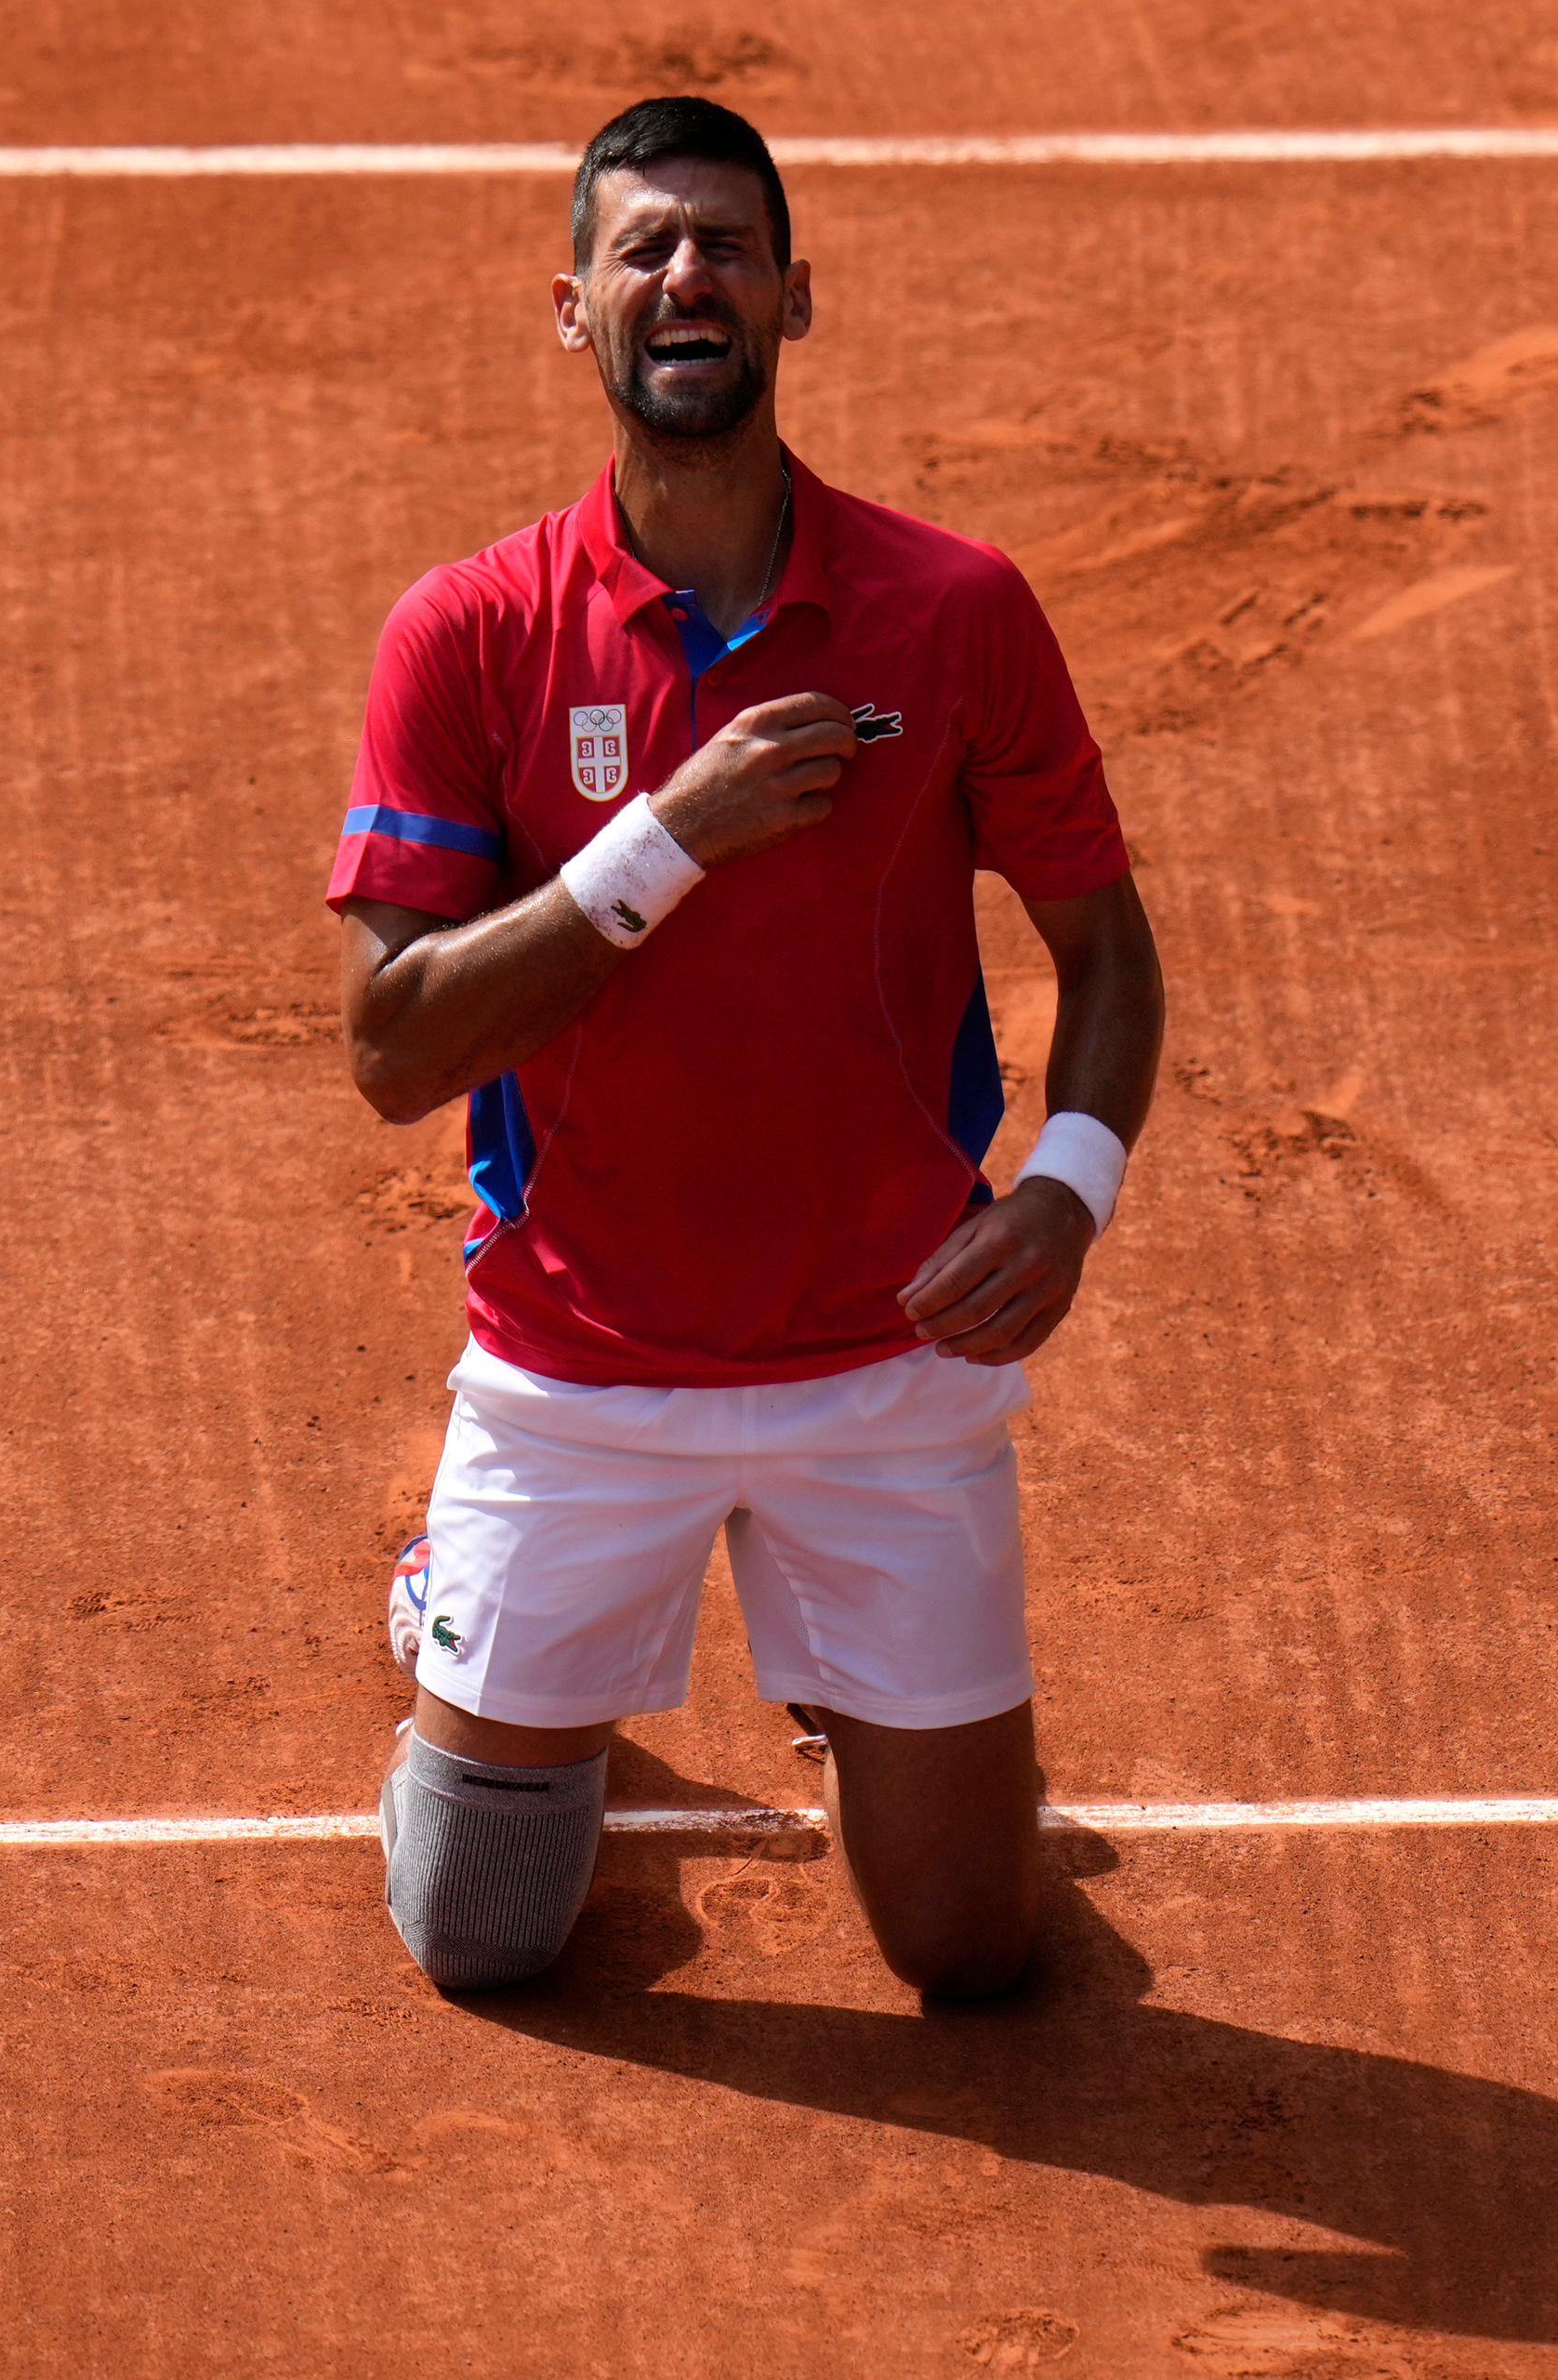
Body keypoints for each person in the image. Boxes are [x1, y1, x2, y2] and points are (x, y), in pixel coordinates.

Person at [326, 94, 1165, 1999]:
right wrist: (664, 840)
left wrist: (1068, 1186)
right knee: (480, 1934)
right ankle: (445, 1608)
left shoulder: (955, 612)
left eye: (726, 245)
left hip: (889, 1359)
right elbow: (392, 1046)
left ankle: (853, 1695)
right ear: (576, 310)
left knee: (968, 1955)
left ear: (798, 298)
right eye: (645, 249)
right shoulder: (467, 635)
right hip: (575, 1373)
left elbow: (1106, 950)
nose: (686, 274)